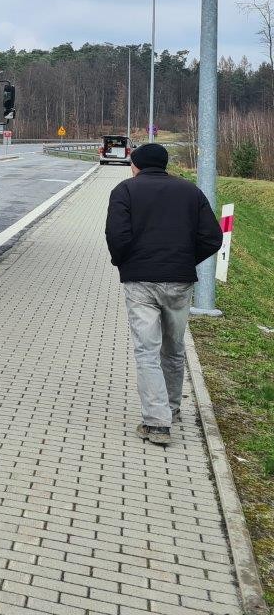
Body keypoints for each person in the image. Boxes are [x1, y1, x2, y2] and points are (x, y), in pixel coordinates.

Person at [104, 143, 222, 446]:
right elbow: (212, 237)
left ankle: (157, 423)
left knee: (147, 350)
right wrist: (184, 260)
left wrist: (125, 263)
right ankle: (171, 407)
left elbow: (117, 235)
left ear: (136, 165)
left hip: (140, 281)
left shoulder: (125, 191)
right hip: (180, 281)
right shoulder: (190, 191)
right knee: (173, 347)